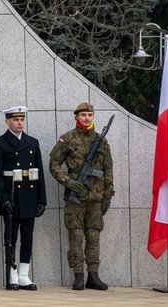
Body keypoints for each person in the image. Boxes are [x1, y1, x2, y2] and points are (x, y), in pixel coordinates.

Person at [49, 102, 113, 291]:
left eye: (90, 115)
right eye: (83, 115)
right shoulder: (67, 139)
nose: (87, 118)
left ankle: (93, 275)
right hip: (76, 196)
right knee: (76, 235)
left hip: (96, 196)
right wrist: (67, 181)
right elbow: (54, 163)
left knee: (93, 235)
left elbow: (108, 169)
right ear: (76, 117)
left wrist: (108, 195)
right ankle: (78, 275)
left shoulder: (101, 141)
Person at [0, 106, 46, 291]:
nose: (19, 123)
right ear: (7, 122)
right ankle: (12, 273)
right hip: (12, 197)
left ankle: (23, 275)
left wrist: (42, 200)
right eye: (15, 120)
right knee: (11, 238)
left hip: (30, 196)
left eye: (21, 120)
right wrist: (2, 200)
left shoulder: (32, 142)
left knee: (27, 237)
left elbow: (40, 174)